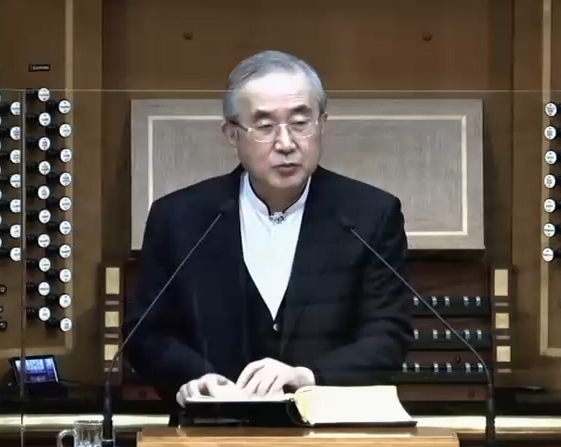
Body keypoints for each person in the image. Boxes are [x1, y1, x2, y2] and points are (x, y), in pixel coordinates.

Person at [124, 50, 412, 411]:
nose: (286, 143)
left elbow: (388, 335)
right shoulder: (179, 217)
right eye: (264, 127)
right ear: (232, 134)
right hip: (211, 429)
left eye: (301, 123)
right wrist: (194, 379)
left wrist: (309, 377)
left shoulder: (371, 214)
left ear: (322, 124)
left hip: (331, 429)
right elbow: (146, 333)